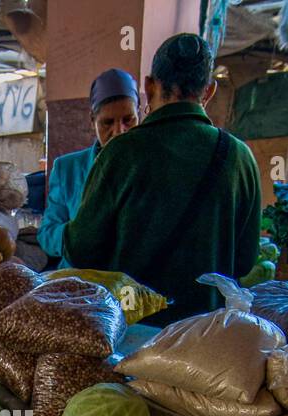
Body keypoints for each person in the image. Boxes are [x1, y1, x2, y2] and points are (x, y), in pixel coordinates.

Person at [63, 34, 262, 319]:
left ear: (149, 85)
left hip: (130, 330)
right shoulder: (239, 157)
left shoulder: (120, 152)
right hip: (207, 336)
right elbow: (244, 262)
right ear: (209, 91)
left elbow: (81, 251)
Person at [38, 68, 140, 264]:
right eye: (107, 123)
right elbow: (47, 233)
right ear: (92, 120)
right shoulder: (67, 169)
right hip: (78, 283)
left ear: (141, 114)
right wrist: (77, 236)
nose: (119, 131)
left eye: (128, 120)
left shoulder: (149, 166)